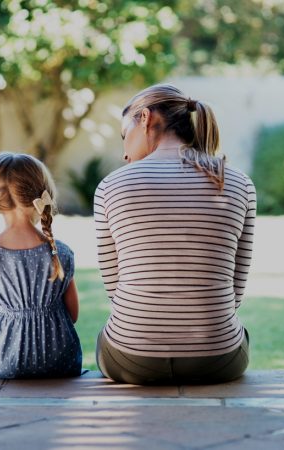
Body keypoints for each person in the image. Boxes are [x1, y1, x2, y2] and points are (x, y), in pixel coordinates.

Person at [94, 84, 256, 385]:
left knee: (108, 336)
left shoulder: (110, 186)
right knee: (239, 333)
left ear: (145, 118)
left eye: (123, 135)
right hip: (217, 360)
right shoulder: (238, 183)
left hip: (131, 360)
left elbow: (115, 290)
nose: (124, 152)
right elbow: (235, 291)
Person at [0, 152, 82, 379]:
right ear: (42, 195)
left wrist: (3, 312)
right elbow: (72, 314)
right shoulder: (60, 253)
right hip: (57, 360)